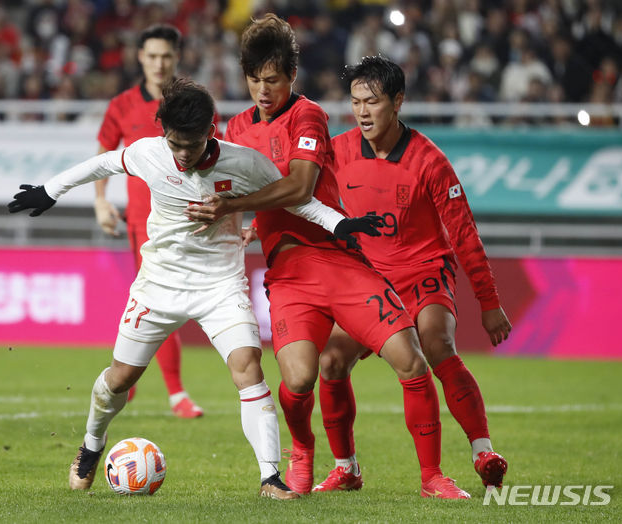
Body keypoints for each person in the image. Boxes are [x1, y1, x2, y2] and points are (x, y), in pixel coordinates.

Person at [7, 78, 383, 499]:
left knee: (248, 368)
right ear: (163, 133)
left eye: (191, 145)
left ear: (211, 130)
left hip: (219, 284)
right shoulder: (150, 153)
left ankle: (269, 478)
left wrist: (339, 223)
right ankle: (91, 447)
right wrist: (50, 190)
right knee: (120, 379)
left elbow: (297, 200)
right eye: (175, 145)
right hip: (158, 283)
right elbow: (105, 163)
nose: (183, 155)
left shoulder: (245, 164)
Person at [185, 14, 470, 499]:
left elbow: (300, 185)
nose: (262, 90)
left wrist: (233, 205)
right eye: (254, 80)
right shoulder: (234, 127)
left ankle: (432, 477)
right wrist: (237, 220)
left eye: (272, 80)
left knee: (410, 359)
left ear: (291, 76)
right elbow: (227, 184)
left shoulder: (308, 115)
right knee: (297, 380)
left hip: (339, 260)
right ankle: (303, 457)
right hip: (289, 273)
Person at [315, 55, 511, 492]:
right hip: (368, 277)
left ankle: (480, 452)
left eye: (373, 102)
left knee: (436, 342)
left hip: (424, 268)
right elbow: (306, 201)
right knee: (329, 361)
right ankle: (346, 468)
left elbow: (464, 234)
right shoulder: (338, 152)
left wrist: (490, 302)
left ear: (398, 101)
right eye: (356, 102)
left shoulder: (430, 161)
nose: (362, 111)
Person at [93, 24, 204, 418]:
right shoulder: (122, 105)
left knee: (162, 303)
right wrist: (101, 201)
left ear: (177, 58)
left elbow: (218, 152)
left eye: (166, 56)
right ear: (140, 57)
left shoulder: (194, 103)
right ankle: (175, 394)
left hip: (193, 220)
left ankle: (127, 377)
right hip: (145, 224)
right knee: (161, 302)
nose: (159, 63)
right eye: (152, 56)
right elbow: (104, 153)